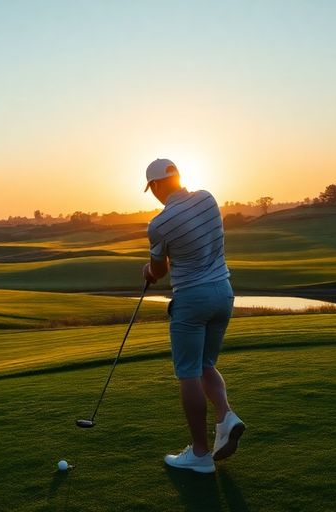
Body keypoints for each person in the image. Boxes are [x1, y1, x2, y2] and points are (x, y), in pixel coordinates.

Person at [141, 158, 245, 473]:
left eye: (152, 189)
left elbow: (159, 269)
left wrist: (148, 270)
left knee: (188, 373)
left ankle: (200, 454)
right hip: (223, 293)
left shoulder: (159, 223)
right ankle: (226, 416)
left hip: (192, 298)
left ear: (157, 185)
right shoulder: (208, 198)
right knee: (205, 364)